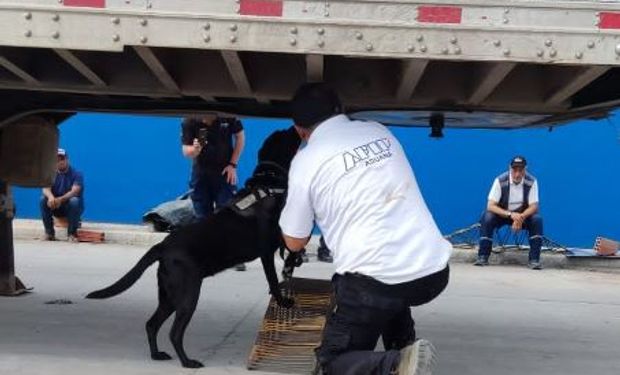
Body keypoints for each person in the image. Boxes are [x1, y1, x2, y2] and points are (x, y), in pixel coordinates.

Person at [279, 83, 452, 375]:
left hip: (375, 282)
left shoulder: (305, 162)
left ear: (299, 129)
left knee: (331, 363)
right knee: (390, 294)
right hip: (432, 271)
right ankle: (405, 349)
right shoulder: (377, 131)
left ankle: (399, 365)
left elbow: (295, 242)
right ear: (340, 109)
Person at [181, 114, 246, 270]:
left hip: (224, 171)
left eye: (206, 117)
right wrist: (195, 149)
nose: (204, 120)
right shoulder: (189, 120)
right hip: (201, 173)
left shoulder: (228, 116)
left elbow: (240, 137)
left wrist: (233, 164)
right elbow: (186, 151)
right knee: (202, 216)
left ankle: (233, 256)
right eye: (201, 118)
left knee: (228, 214)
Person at [474, 156, 544, 270]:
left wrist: (520, 217)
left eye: (520, 170)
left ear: (525, 170)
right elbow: (490, 205)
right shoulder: (500, 180)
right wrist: (511, 215)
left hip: (522, 216)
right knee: (487, 216)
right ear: (509, 168)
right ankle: (483, 256)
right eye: (514, 170)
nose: (517, 174)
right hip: (503, 214)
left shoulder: (532, 181)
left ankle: (534, 260)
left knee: (537, 219)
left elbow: (534, 206)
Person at [40, 148, 84, 242]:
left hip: (70, 207)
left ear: (67, 159)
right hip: (56, 205)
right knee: (43, 200)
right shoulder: (50, 173)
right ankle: (49, 233)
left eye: (62, 159)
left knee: (74, 201)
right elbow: (45, 188)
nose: (60, 162)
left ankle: (72, 234)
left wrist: (60, 199)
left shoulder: (77, 174)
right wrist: (51, 197)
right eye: (57, 160)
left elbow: (74, 191)